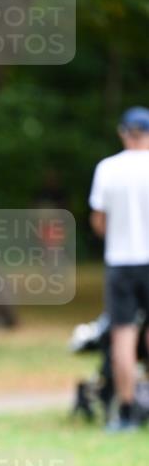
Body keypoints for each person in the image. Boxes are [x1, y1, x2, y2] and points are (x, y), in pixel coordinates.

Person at [89, 106, 149, 432]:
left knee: (123, 338)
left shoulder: (108, 169)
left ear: (123, 132)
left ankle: (126, 411)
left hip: (121, 261)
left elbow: (99, 221)